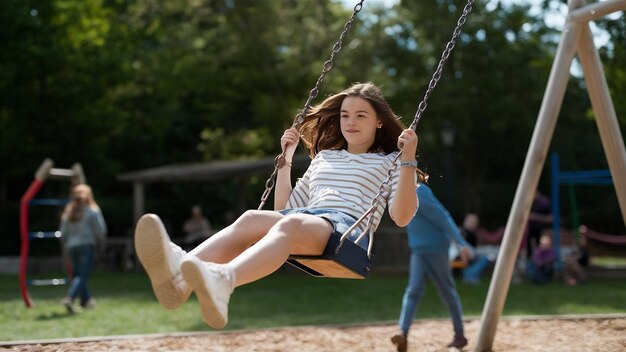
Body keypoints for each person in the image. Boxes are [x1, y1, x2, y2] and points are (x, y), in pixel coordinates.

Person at [134, 82, 422, 329]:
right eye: (345, 115)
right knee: (251, 218)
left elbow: (402, 217)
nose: (351, 122)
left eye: (361, 115)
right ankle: (180, 278)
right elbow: (284, 208)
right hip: (307, 219)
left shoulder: (390, 161)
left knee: (291, 224)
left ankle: (224, 279)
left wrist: (408, 158)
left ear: (379, 121)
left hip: (346, 230)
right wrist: (285, 162)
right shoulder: (324, 158)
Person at [391, 183, 470, 352]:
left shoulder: (419, 191)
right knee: (413, 291)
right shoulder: (400, 192)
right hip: (418, 250)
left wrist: (460, 242)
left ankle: (460, 336)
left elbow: (442, 216)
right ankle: (402, 334)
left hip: (436, 249)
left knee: (447, 291)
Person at [59, 184, 107, 313]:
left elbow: (63, 233)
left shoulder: (69, 211)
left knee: (77, 275)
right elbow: (100, 230)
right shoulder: (92, 210)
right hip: (87, 245)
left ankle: (86, 301)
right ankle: (70, 298)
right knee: (82, 276)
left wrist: (67, 243)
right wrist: (101, 242)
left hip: (71, 247)